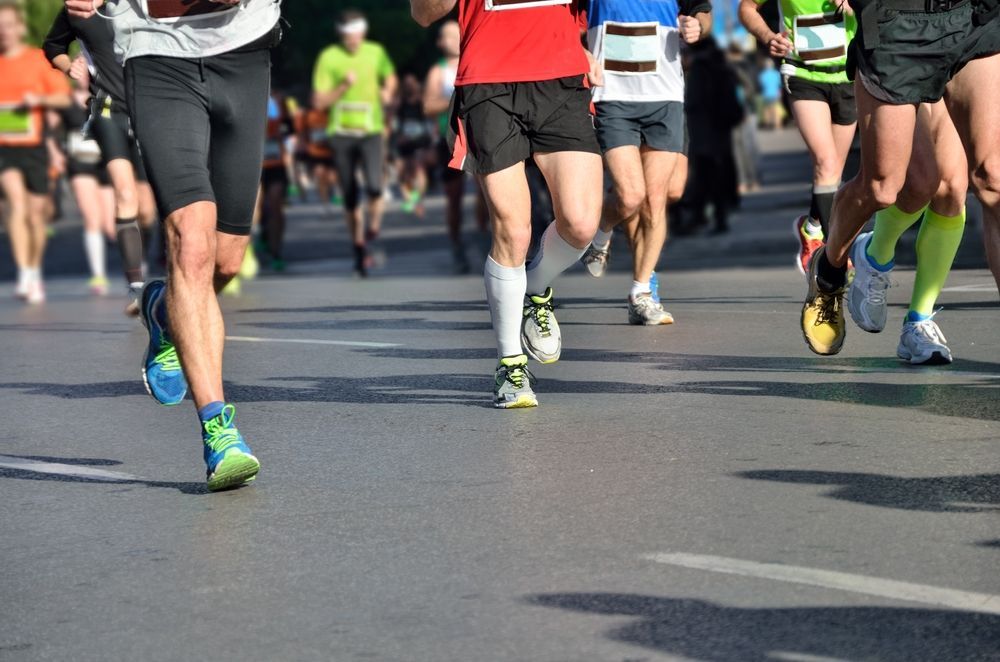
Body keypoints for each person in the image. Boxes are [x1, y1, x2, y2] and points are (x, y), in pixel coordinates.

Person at [65, 0, 283, 491]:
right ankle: (218, 430)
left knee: (225, 261)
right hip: (155, 52)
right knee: (191, 242)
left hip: (244, 50)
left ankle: (163, 311)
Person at [411, 0, 604, 409]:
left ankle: (536, 287)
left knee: (582, 223)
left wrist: (590, 46)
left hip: (561, 75)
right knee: (514, 231)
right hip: (488, 81)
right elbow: (423, 13)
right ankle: (509, 364)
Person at [800, 0, 1000, 356]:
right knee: (886, 186)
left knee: (985, 179)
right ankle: (830, 272)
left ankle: (919, 319)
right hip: (899, 20)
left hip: (972, 14)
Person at [579, 0, 712, 326]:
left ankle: (641, 293)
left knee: (659, 198)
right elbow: (565, 17)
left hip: (664, 98)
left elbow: (702, 12)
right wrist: (578, 49)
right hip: (613, 98)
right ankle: (602, 230)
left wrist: (697, 27)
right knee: (630, 195)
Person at [44, 5, 157, 314]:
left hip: (152, 109)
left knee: (147, 209)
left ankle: (145, 260)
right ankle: (136, 288)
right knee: (125, 194)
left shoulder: (136, 5)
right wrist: (70, 67)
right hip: (109, 111)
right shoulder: (77, 9)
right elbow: (52, 46)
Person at [740, 0, 858, 274]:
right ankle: (835, 258)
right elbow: (746, 7)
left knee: (833, 175)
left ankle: (811, 227)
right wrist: (769, 36)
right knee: (826, 163)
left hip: (848, 76)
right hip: (802, 74)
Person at [848, 101, 968, 364]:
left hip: (958, 61)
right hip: (903, 64)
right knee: (919, 184)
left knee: (952, 190)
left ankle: (919, 321)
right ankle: (876, 253)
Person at [313, 10, 397, 277]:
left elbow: (391, 76)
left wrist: (388, 90)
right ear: (342, 34)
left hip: (371, 130)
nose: (353, 40)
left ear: (363, 32)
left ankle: (372, 227)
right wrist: (341, 86)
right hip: (341, 133)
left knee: (374, 185)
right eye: (348, 35)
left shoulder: (375, 51)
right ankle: (358, 244)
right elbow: (318, 102)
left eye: (357, 33)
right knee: (350, 195)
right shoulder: (329, 57)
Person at [0, 1, 71, 305]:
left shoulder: (36, 60)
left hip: (36, 145)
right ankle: (25, 273)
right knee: (15, 205)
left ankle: (34, 268)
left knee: (35, 213)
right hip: (4, 146)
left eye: (8, 25)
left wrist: (36, 99)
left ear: (19, 28)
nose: (4, 32)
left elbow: (64, 99)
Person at [61, 75, 116, 296]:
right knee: (91, 218)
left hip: (105, 162)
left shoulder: (106, 97)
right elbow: (52, 129)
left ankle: (136, 269)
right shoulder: (64, 101)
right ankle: (98, 275)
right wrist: (56, 154)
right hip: (79, 163)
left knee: (111, 225)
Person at [260, 91, 294, 271]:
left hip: (275, 162)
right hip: (251, 165)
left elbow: (289, 128)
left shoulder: (280, 100)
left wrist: (280, 132)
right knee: (256, 209)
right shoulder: (244, 91)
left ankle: (276, 252)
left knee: (275, 205)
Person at [394, 73, 432, 217]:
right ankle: (410, 198)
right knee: (404, 172)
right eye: (406, 84)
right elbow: (394, 120)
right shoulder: (401, 102)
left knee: (418, 167)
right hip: (404, 140)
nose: (409, 86)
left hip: (421, 140)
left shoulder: (422, 101)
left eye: (412, 83)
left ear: (417, 84)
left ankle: (419, 200)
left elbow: (431, 118)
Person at [757, 58, 783, 130]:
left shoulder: (763, 75)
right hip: (775, 94)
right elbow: (780, 84)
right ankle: (777, 125)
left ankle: (768, 124)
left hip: (766, 94)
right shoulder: (776, 73)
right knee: (776, 109)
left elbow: (761, 84)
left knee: (767, 110)